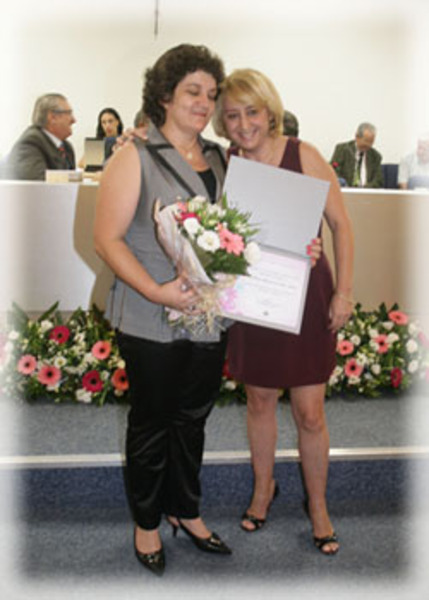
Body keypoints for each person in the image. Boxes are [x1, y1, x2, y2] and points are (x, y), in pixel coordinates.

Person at [94, 44, 232, 577]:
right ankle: (147, 521)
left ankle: (185, 509)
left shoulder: (219, 157)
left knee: (193, 419)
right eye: (192, 91)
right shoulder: (135, 155)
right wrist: (157, 291)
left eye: (211, 94)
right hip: (150, 312)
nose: (204, 103)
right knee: (152, 421)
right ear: (164, 95)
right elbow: (107, 240)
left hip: (209, 315)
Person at [213, 69, 354, 555]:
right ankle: (263, 489)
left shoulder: (304, 155)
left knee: (310, 412)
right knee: (259, 400)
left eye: (251, 112)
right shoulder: (225, 162)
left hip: (307, 293)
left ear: (269, 111)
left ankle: (318, 505)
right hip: (254, 295)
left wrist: (343, 292)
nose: (243, 124)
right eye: (232, 115)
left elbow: (341, 226)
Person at [2, 93, 76, 180]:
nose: (74, 120)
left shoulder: (66, 147)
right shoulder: (30, 143)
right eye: (69, 113)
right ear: (53, 117)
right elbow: (37, 180)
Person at [330, 122, 383, 188]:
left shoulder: (376, 156)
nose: (368, 145)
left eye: (371, 142)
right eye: (366, 141)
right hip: (346, 191)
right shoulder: (342, 150)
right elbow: (333, 171)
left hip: (367, 192)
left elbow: (378, 180)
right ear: (357, 137)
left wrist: (365, 189)